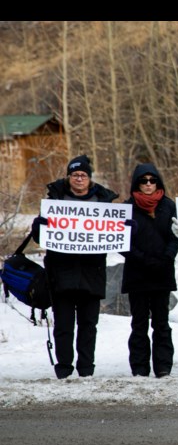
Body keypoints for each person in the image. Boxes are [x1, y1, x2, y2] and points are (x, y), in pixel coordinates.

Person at [29, 155, 120, 379]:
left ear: (89, 178)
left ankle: (86, 368)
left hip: (92, 272)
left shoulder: (103, 202)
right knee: (64, 325)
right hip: (62, 272)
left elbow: (115, 235)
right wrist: (38, 225)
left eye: (83, 175)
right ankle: (64, 368)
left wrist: (125, 229)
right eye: (75, 175)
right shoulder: (55, 200)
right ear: (68, 177)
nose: (79, 179)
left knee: (89, 325)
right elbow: (41, 238)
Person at [119, 163, 178, 378]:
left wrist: (166, 257)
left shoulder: (169, 206)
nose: (148, 184)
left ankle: (163, 366)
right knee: (139, 323)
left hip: (162, 272)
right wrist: (144, 260)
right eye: (144, 181)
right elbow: (121, 243)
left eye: (152, 180)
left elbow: (177, 236)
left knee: (162, 323)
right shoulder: (126, 209)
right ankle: (140, 367)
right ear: (137, 183)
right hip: (138, 274)